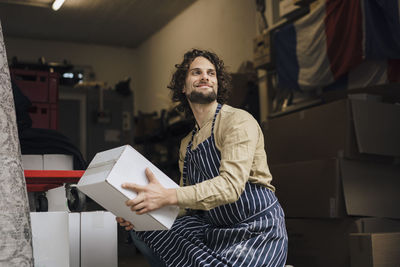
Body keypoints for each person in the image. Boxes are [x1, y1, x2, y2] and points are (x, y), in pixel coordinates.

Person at [117, 49, 288, 267]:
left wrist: (168, 195)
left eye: (211, 73)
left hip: (255, 231)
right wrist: (142, 210)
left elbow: (230, 186)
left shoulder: (237, 121)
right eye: (196, 72)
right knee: (145, 230)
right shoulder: (187, 143)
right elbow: (187, 206)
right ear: (183, 86)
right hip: (215, 230)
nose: (205, 77)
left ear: (218, 84)